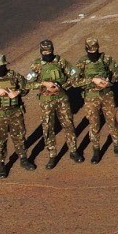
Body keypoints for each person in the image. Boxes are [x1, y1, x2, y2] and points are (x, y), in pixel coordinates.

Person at [71, 38, 118, 162]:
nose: (94, 53)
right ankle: (96, 150)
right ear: (86, 50)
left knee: (112, 121)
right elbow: (75, 81)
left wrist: (109, 82)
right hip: (91, 98)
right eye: (91, 51)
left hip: (107, 95)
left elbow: (116, 73)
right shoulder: (82, 62)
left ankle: (117, 146)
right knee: (94, 124)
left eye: (95, 50)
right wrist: (92, 80)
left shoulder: (106, 59)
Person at [26, 39, 81, 168]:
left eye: (49, 51)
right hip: (46, 102)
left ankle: (73, 151)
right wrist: (43, 84)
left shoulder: (60, 61)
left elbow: (74, 74)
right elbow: (28, 84)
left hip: (62, 99)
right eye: (45, 51)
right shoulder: (36, 65)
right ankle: (52, 155)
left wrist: (62, 86)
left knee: (68, 125)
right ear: (41, 52)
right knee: (48, 128)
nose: (47, 54)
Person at [0, 54, 36, 178]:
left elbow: (26, 87)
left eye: (1, 65)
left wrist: (17, 92)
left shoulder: (14, 76)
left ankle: (23, 159)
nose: (0, 67)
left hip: (15, 113)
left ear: (5, 65)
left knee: (19, 137)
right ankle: (1, 165)